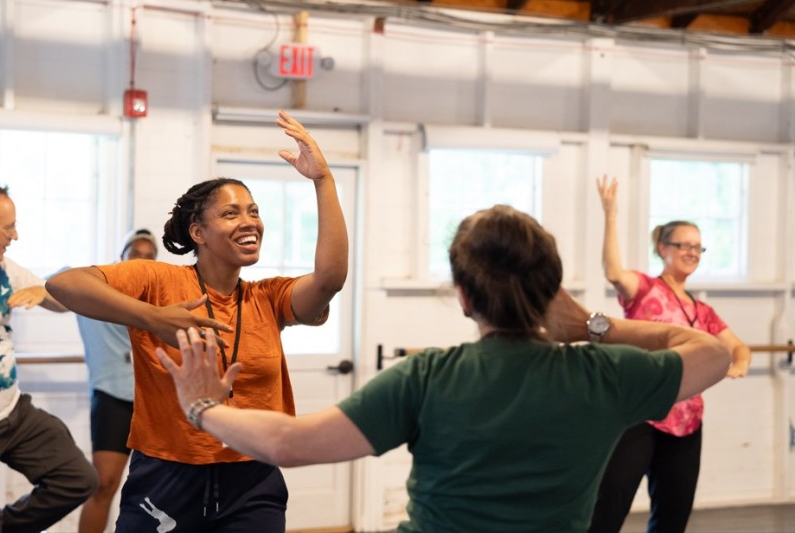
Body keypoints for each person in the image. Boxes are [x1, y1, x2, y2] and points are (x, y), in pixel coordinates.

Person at [156, 204, 729, 533]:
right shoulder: (605, 374)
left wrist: (202, 407)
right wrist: (594, 327)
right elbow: (712, 352)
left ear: (463, 296)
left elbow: (288, 443)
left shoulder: (427, 378)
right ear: (552, 289)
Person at [46, 110, 348, 532]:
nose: (249, 222)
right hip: (164, 477)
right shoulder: (157, 279)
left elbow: (330, 278)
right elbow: (63, 283)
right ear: (198, 233)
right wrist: (152, 318)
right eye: (231, 213)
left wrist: (323, 181)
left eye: (254, 211)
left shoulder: (268, 296)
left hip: (252, 479)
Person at [588, 176, 751, 533]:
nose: (692, 252)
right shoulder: (644, 290)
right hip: (640, 415)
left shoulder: (702, 311)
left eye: (698, 247)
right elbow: (614, 271)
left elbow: (738, 345)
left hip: (686, 424)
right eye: (684, 245)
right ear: (663, 248)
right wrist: (611, 213)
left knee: (673, 518)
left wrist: (739, 363)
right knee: (609, 507)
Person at [0, 183, 98, 532]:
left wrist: (45, 291)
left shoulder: (6, 269)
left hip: (13, 413)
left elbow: (62, 301)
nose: (15, 236)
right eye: (8, 228)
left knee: (78, 479)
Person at [76, 228, 158, 533]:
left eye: (149, 257)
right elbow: (61, 285)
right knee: (105, 483)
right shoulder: (95, 292)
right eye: (135, 254)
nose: (141, 261)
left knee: (153, 489)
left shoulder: (158, 300)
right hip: (113, 397)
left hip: (152, 401)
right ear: (120, 258)